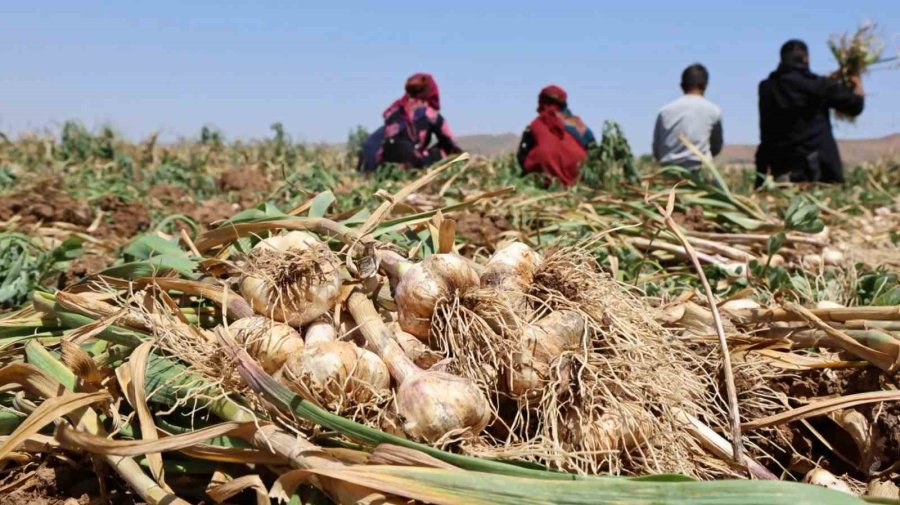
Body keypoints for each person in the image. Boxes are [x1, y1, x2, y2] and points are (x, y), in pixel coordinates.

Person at [755, 39, 864, 186]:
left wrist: (760, 176)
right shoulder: (818, 85)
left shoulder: (767, 88)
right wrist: (857, 84)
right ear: (806, 58)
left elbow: (765, 132)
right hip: (820, 174)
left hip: (783, 172)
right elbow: (854, 106)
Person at [357, 73, 462, 173]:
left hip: (384, 164)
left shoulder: (395, 110)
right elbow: (450, 140)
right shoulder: (429, 113)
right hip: (408, 162)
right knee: (441, 151)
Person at [517, 85, 595, 187]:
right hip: (578, 181)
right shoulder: (578, 125)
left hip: (545, 181)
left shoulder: (536, 125)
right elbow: (593, 150)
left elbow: (522, 155)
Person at [652, 63, 723, 174]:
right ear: (705, 86)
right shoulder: (713, 111)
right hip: (699, 172)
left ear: (682, 86)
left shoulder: (664, 112)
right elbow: (716, 146)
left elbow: (657, 150)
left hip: (669, 173)